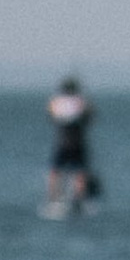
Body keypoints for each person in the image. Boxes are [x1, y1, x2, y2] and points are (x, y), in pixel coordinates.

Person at [46, 74, 96, 212]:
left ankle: (53, 198)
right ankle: (79, 199)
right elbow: (90, 117)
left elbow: (50, 115)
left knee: (55, 171)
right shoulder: (80, 102)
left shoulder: (56, 102)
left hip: (62, 142)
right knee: (80, 171)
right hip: (77, 142)